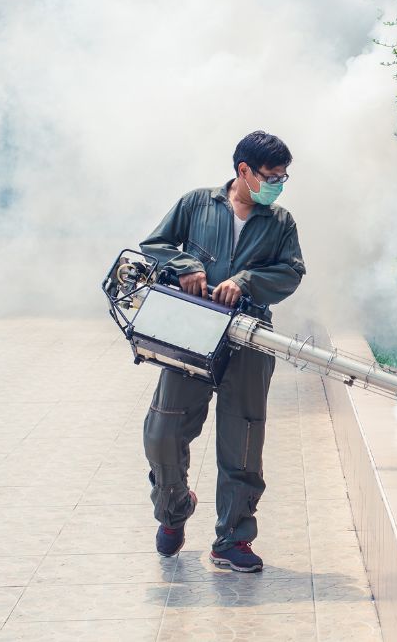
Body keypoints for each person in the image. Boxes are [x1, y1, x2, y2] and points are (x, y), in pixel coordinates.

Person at [139, 130, 305, 572]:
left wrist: (246, 282)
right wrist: (186, 267)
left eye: (284, 178)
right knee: (163, 433)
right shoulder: (196, 204)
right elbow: (154, 246)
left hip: (249, 337)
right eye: (271, 176)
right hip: (191, 333)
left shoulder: (280, 222)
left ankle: (233, 539)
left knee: (243, 441)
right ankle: (173, 510)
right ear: (243, 171)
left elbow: (291, 272)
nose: (278, 185)